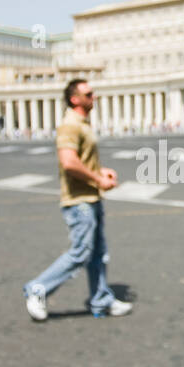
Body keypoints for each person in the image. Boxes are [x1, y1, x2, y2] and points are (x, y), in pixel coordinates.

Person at [23, 79, 132, 321]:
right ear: (75, 99)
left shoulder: (82, 123)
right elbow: (69, 162)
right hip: (78, 200)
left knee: (98, 254)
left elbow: (80, 160)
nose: (94, 97)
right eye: (89, 94)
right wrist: (97, 179)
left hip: (89, 197)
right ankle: (37, 289)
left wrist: (100, 172)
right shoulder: (70, 125)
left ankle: (101, 300)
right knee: (81, 252)